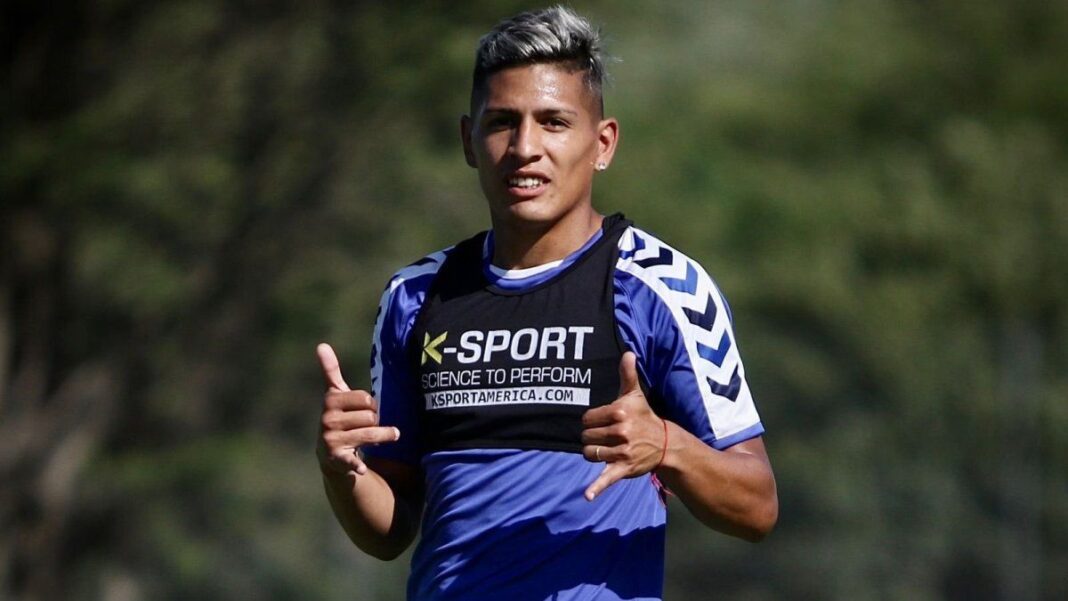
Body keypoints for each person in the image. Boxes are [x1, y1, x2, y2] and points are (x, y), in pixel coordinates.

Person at [316, 6, 777, 600]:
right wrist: (341, 469)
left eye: (554, 122)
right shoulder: (414, 296)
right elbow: (389, 530)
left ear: (603, 143)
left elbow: (757, 506)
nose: (525, 147)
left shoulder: (663, 287)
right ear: (468, 140)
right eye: (502, 122)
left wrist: (667, 446)